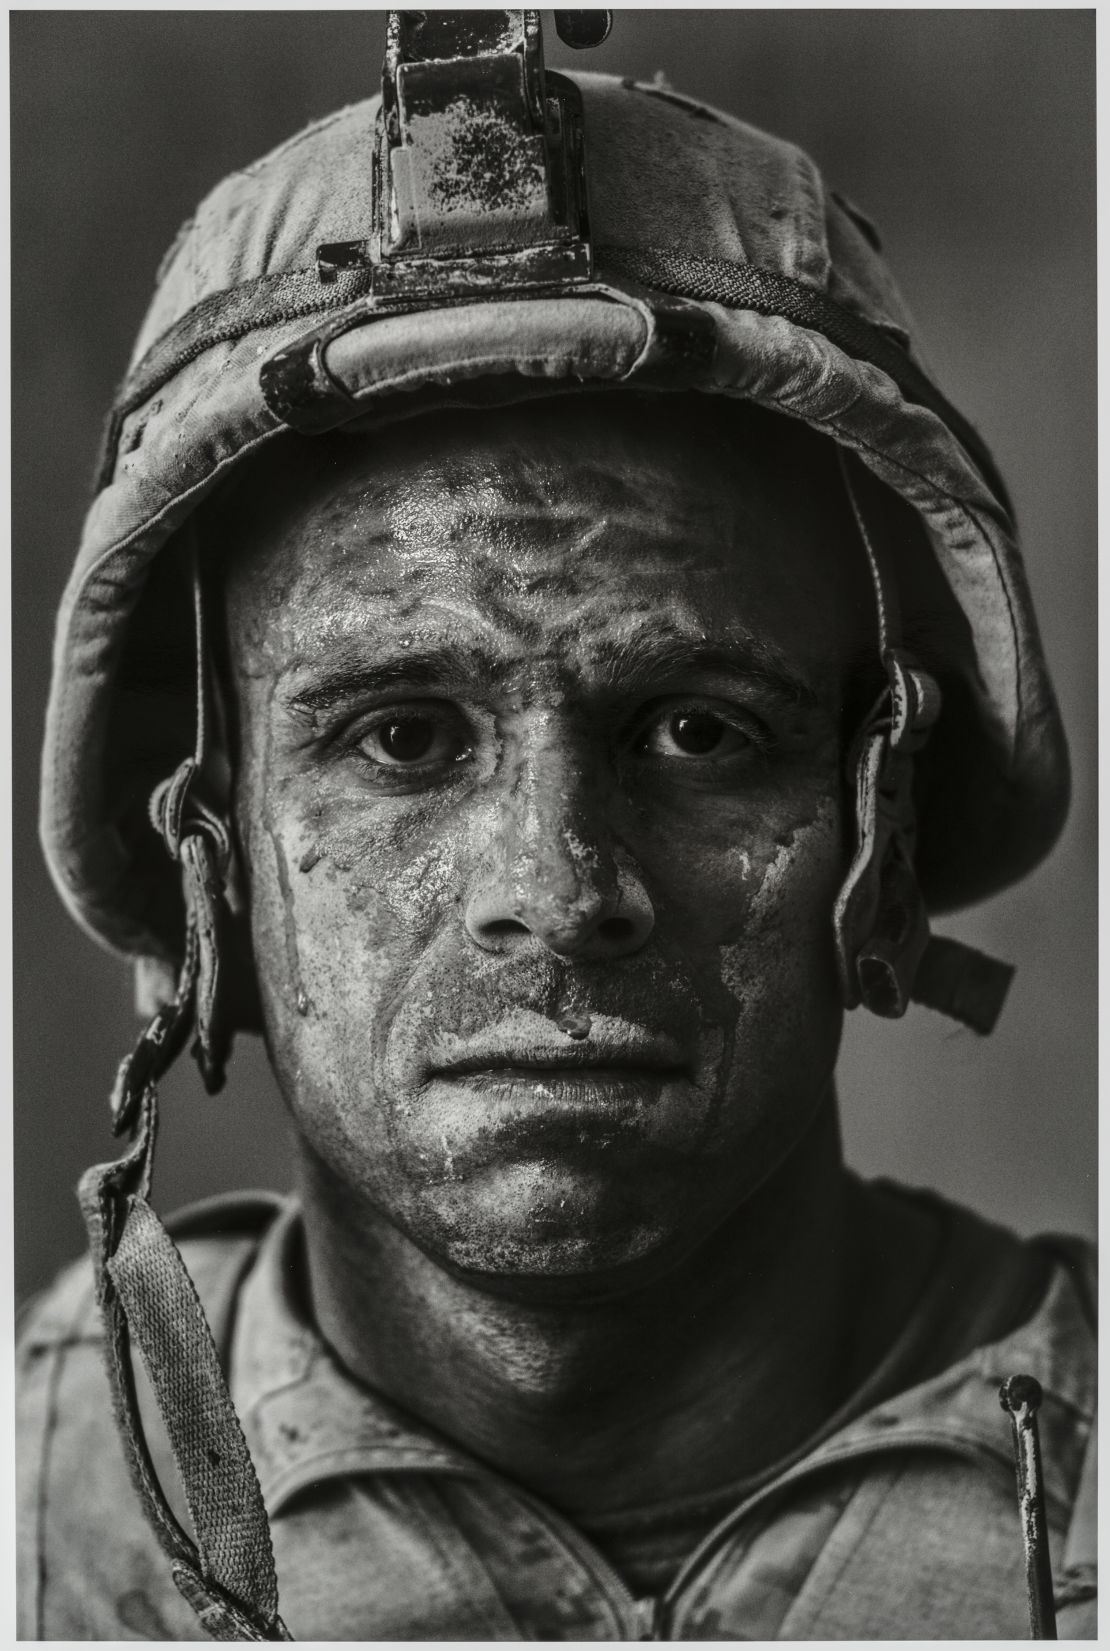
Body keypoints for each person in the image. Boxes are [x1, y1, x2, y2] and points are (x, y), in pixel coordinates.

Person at [17, 11, 1095, 1641]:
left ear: (883, 811)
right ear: (206, 849)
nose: (555, 889)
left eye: (698, 729)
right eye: (400, 737)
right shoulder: (41, 1519)